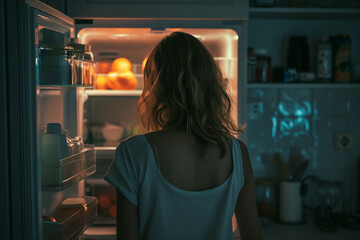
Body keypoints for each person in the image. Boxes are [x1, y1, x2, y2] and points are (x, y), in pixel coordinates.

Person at [104, 32, 262, 240]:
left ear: (155, 88)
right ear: (210, 85)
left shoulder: (134, 152)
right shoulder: (237, 153)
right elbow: (253, 236)